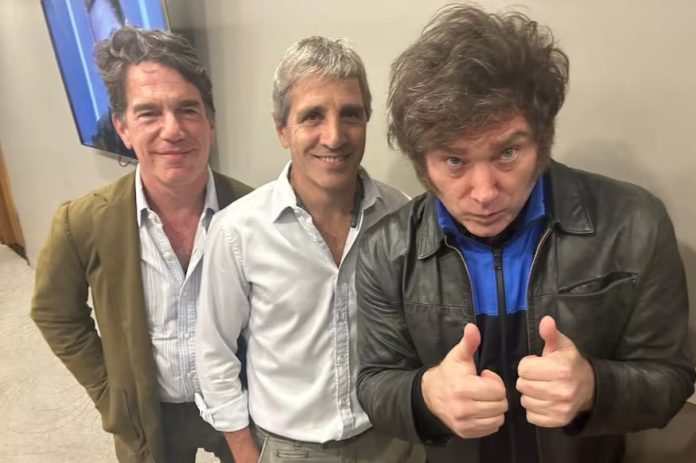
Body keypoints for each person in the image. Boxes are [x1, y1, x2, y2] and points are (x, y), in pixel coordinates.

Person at [355, 5, 695, 463]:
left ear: (542, 139)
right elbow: (375, 382)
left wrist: (594, 386)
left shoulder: (634, 223)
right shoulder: (386, 250)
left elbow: (672, 378)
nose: (484, 193)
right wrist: (425, 393)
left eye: (507, 153)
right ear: (422, 164)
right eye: (454, 160)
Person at [194, 36, 424, 463]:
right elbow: (214, 354)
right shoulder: (237, 231)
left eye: (350, 114)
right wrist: (245, 454)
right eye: (312, 116)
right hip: (291, 450)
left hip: (390, 439)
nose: (334, 136)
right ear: (282, 129)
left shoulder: (401, 215)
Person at [31, 26, 252, 463]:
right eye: (149, 113)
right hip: (150, 416)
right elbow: (55, 313)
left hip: (241, 409)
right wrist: (111, 393)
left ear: (211, 122)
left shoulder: (253, 212)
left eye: (187, 109)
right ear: (123, 128)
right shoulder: (81, 223)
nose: (173, 130)